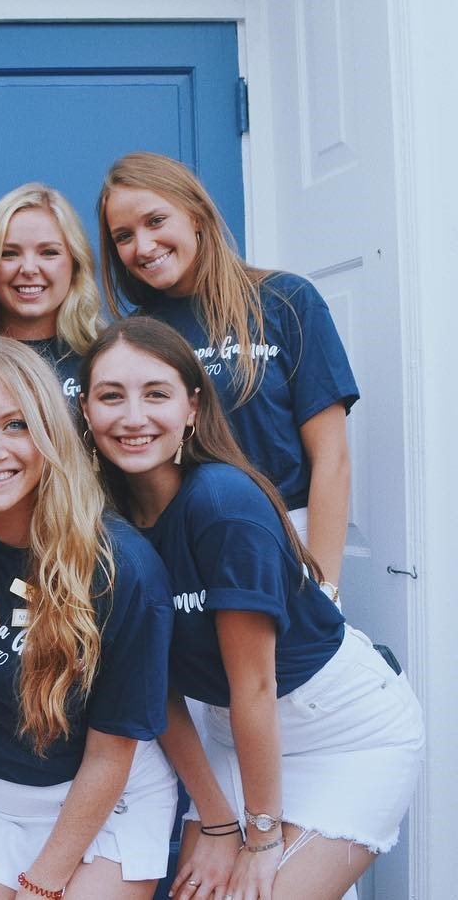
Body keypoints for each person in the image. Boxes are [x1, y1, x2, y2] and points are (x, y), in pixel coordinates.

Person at [80, 316, 424, 900]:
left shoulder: (223, 504)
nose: (133, 417)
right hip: (231, 736)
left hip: (342, 735)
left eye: (155, 394)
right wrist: (216, 821)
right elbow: (152, 688)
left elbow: (255, 687)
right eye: (111, 396)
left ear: (192, 408)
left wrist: (260, 838)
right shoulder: (99, 526)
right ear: (86, 411)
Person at [0, 336, 177, 899]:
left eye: (16, 425)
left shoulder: (122, 569)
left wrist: (42, 884)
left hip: (107, 797)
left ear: (51, 432)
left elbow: (112, 753)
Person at [98, 152, 358, 593]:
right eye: (124, 236)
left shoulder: (287, 302)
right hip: (182, 544)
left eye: (156, 221)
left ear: (196, 215)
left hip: (287, 539)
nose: (142, 246)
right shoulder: (135, 336)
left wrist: (324, 584)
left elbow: (331, 458)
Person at [0, 183, 103, 411]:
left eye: (48, 253)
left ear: (76, 263)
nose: (28, 269)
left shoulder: (106, 357)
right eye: (9, 254)